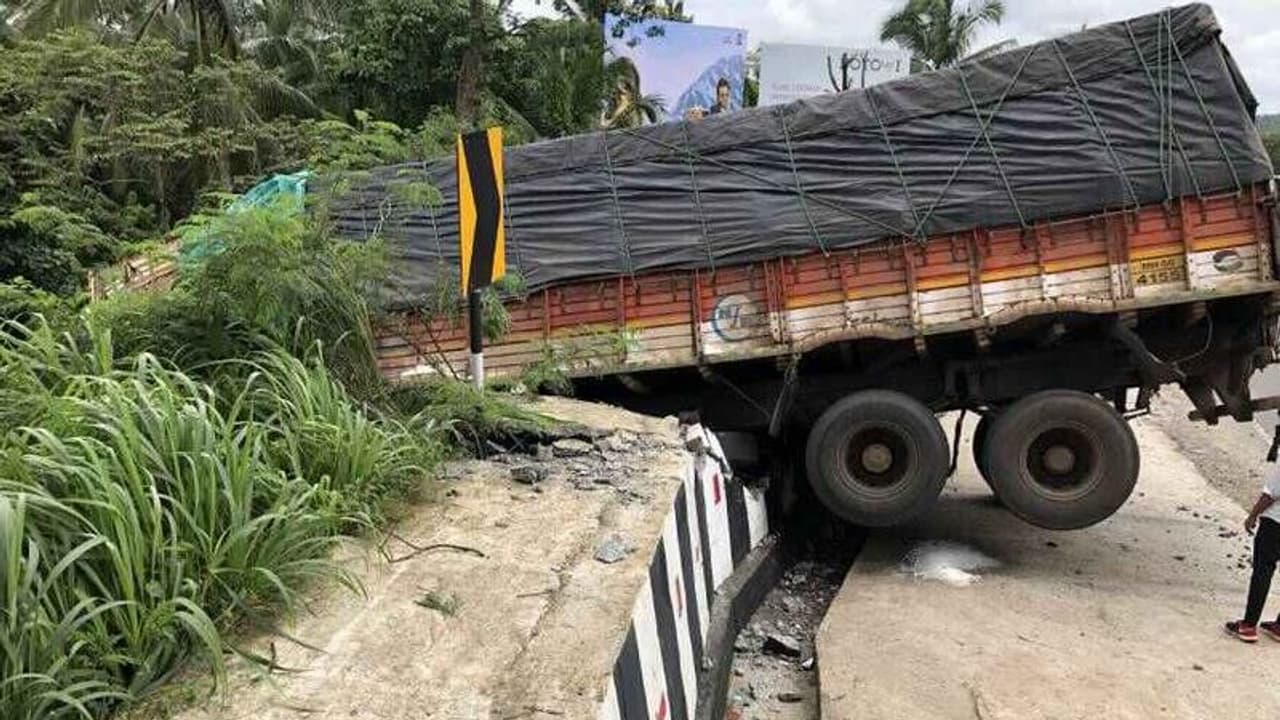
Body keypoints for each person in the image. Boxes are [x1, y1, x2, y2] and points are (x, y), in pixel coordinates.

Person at [1225, 452, 1280, 643]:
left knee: (1263, 571)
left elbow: (1272, 493)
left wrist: (1253, 515)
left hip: (1275, 523)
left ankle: (1248, 626)